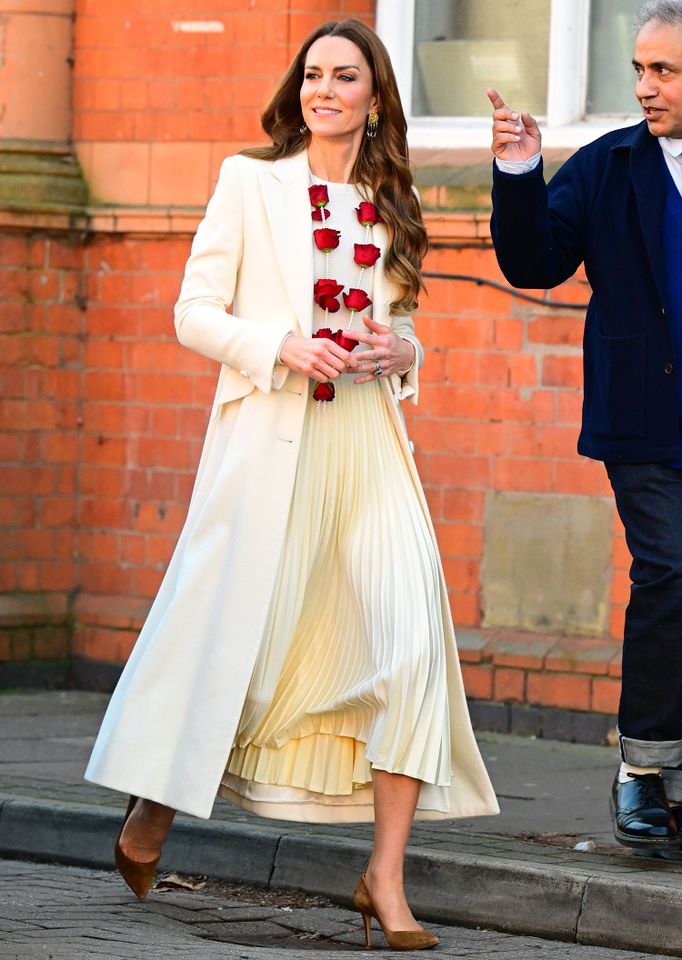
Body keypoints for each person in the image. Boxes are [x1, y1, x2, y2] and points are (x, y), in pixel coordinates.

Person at [85, 17, 498, 950]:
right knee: (249, 651)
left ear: (373, 97)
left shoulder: (392, 199)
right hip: (273, 444)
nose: (323, 90)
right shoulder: (251, 184)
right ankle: (156, 807)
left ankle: (384, 880)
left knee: (412, 642)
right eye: (312, 74)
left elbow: (402, 327)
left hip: (366, 445)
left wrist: (407, 350)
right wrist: (277, 345)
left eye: (344, 77)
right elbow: (192, 311)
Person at [487, 0, 682, 852]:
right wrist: (522, 173)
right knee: (671, 569)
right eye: (639, 68)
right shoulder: (606, 167)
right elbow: (535, 260)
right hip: (642, 415)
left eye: (664, 70)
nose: (646, 85)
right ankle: (644, 770)